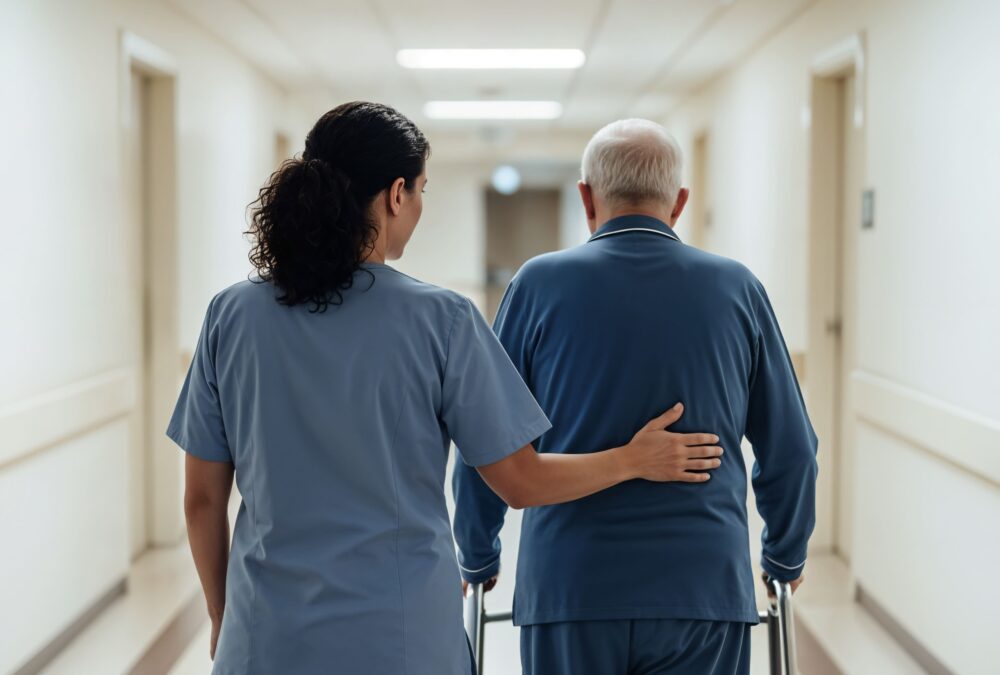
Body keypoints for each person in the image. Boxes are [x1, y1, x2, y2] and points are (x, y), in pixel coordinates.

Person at [167, 102, 725, 675]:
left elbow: (202, 499)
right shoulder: (442, 320)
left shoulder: (231, 316)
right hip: (402, 642)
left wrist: (222, 614)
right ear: (397, 194)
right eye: (422, 191)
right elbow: (520, 480)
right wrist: (631, 460)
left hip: (266, 641)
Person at [452, 118, 819, 675]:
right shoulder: (737, 289)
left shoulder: (537, 285)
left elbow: (487, 440)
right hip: (701, 590)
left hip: (571, 590)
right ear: (679, 202)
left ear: (586, 198)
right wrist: (783, 556)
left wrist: (478, 554)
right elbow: (792, 449)